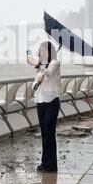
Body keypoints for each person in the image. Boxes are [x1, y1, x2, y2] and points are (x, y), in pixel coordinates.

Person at [27, 41, 61, 173]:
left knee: (49, 133)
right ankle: (45, 163)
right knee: (44, 133)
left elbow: (49, 73)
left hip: (52, 102)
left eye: (46, 50)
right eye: (41, 51)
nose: (43, 53)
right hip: (41, 102)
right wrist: (37, 82)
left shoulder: (55, 63)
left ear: (51, 51)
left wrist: (38, 66)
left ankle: (52, 165)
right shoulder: (42, 68)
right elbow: (34, 85)